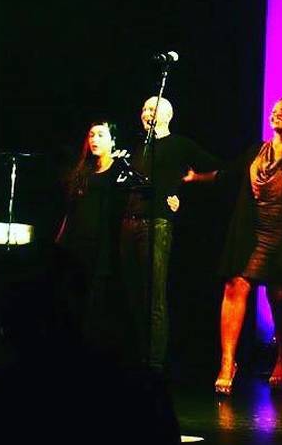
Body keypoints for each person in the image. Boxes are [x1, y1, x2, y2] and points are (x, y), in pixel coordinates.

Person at [183, 98, 282, 395]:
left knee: (279, 294)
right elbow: (229, 173)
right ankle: (227, 363)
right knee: (235, 285)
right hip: (251, 232)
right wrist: (196, 177)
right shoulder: (256, 150)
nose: (277, 113)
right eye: (275, 110)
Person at [121, 96, 218, 374]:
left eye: (152, 109)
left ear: (167, 115)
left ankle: (154, 362)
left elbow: (216, 168)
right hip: (129, 223)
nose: (146, 113)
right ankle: (136, 355)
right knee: (133, 292)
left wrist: (190, 187)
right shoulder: (139, 147)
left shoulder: (180, 144)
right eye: (144, 109)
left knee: (155, 294)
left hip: (157, 223)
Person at [55, 121, 128, 354]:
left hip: (104, 245)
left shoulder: (119, 170)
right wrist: (60, 241)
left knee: (97, 302)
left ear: (113, 140)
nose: (94, 139)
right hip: (77, 243)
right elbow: (70, 211)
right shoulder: (82, 171)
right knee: (73, 297)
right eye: (91, 135)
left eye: (100, 135)